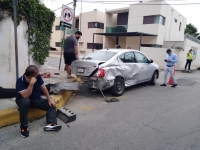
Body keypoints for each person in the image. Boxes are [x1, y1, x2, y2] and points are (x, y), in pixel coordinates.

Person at [16, 65, 62, 138]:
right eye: (36, 74)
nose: (38, 74)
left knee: (52, 104)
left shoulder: (38, 77)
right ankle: (24, 127)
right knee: (25, 102)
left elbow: (43, 87)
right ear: (31, 77)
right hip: (23, 101)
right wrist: (31, 84)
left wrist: (49, 99)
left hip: (36, 100)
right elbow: (25, 96)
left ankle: (51, 124)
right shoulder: (20, 81)